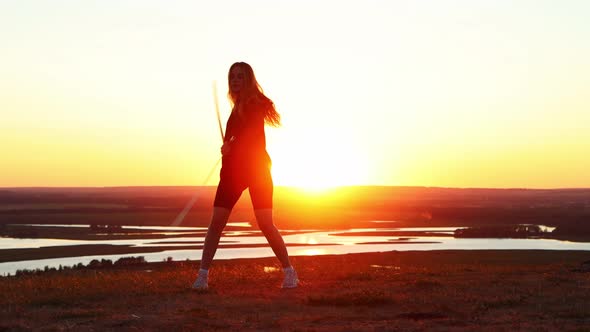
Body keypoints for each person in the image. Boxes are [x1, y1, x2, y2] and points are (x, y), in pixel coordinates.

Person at [192, 62, 298, 289]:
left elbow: (252, 138)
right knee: (216, 223)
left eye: (240, 76)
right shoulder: (237, 105)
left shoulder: (254, 104)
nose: (235, 80)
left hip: (257, 169)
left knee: (266, 223)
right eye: (232, 76)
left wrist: (233, 145)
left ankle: (289, 272)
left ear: (248, 79)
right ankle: (202, 277)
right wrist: (228, 149)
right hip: (233, 173)